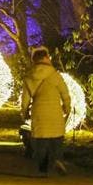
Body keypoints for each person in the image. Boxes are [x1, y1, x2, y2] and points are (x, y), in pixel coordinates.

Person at [21, 47, 71, 177]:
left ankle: (42, 170)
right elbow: (65, 93)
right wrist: (67, 106)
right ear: (45, 58)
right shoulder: (55, 75)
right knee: (57, 138)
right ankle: (57, 159)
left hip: (38, 111)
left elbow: (25, 97)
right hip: (54, 110)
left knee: (40, 142)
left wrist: (24, 111)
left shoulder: (29, 76)